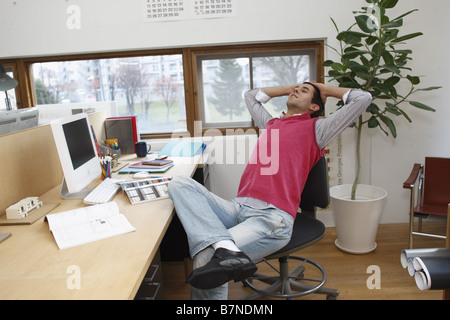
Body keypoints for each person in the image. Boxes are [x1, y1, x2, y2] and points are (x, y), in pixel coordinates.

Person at [168, 82, 372, 299]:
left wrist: (325, 90)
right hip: (237, 208)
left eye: (304, 92)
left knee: (207, 258)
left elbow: (363, 99)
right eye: (296, 88)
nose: (296, 91)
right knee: (179, 183)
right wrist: (288, 89)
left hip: (271, 218)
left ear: (313, 107)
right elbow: (250, 96)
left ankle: (221, 248)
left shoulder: (318, 129)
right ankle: (225, 244)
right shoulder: (270, 124)